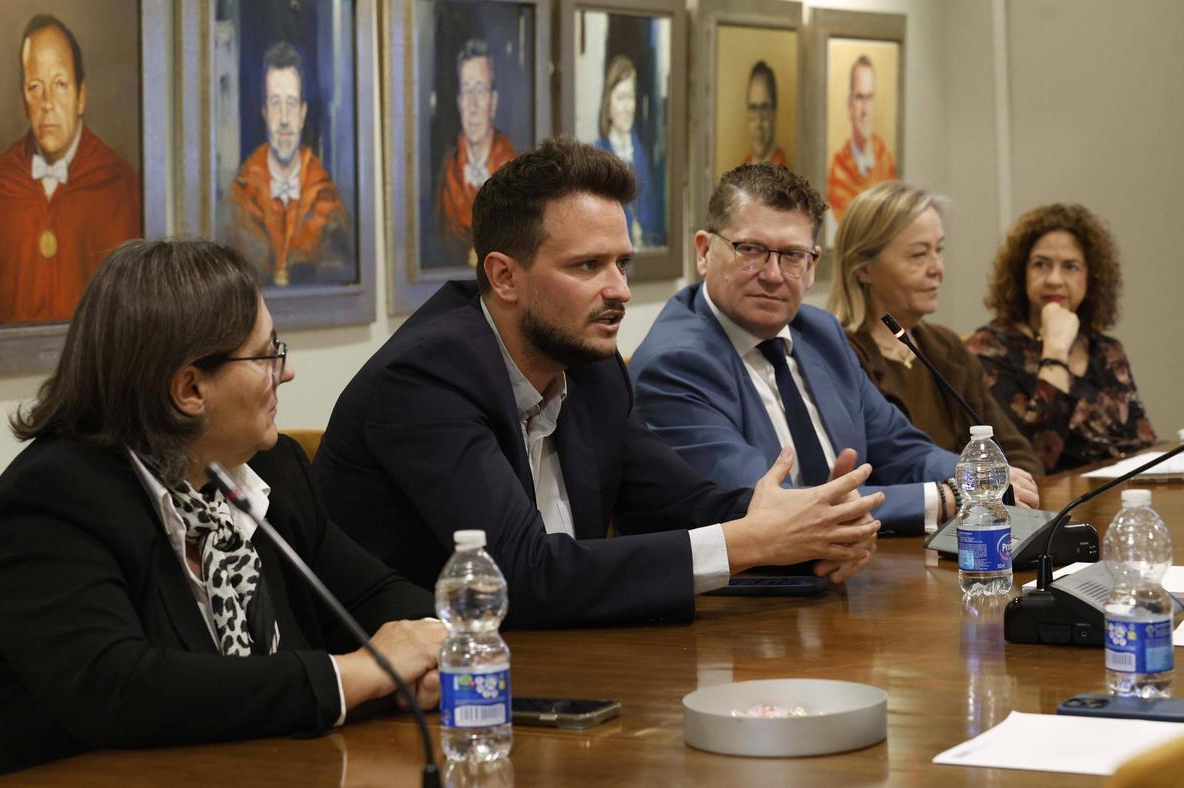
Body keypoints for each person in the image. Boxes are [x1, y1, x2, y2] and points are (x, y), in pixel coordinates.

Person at [315, 138, 883, 629]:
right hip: (418, 704)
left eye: (623, 264)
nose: (620, 290)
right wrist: (749, 543)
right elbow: (520, 573)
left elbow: (684, 504)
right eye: (588, 266)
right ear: (504, 276)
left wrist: (812, 525)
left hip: (566, 661)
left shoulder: (592, 369)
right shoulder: (426, 378)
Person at [0, 239, 444, 775]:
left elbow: (375, 595)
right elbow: (118, 688)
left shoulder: (268, 469)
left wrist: (435, 650)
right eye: (268, 353)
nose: (288, 371)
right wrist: (355, 676)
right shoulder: (54, 502)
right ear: (189, 389)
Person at [630, 164, 1039, 536]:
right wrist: (946, 498)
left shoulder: (818, 332)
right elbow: (769, 507)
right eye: (751, 250)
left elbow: (899, 447)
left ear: (812, 266)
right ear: (704, 252)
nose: (773, 275)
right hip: (749, 598)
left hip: (853, 566)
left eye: (792, 256)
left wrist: (975, 477)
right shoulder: (675, 364)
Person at [826, 181, 1043, 476]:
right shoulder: (838, 354)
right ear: (863, 268)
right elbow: (876, 474)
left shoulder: (946, 347)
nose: (937, 268)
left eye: (938, 250)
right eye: (918, 255)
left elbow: (1014, 452)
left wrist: (1017, 489)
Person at [966, 204, 1156, 472]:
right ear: (1021, 273)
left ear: (1092, 278)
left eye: (1070, 267)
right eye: (1041, 264)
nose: (1054, 279)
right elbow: (1030, 462)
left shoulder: (1107, 351)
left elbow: (1143, 447)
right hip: (1047, 507)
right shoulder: (988, 349)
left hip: (1117, 496)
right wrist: (1055, 351)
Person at [0, 13, 140, 325]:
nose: (47, 102)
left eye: (60, 84)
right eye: (35, 86)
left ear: (80, 97)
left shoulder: (118, 183)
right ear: (24, 98)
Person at [221, 41, 352, 287]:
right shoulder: (240, 197)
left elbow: (339, 275)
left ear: (303, 113)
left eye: (291, 105)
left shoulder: (327, 199)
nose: (283, 120)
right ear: (264, 112)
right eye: (274, 103)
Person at [435, 38, 517, 267]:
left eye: (480, 91)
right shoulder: (447, 172)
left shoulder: (517, 171)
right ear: (459, 102)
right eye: (466, 92)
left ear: (493, 101)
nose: (473, 106)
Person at [594, 55, 665, 248]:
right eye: (621, 97)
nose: (627, 107)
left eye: (631, 96)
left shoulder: (641, 154)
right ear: (608, 105)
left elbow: (653, 217)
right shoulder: (597, 155)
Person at [826, 55, 897, 223]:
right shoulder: (838, 171)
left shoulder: (886, 163)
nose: (864, 110)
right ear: (849, 105)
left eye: (869, 98)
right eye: (859, 98)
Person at [743, 60, 787, 167]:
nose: (758, 123)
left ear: (774, 113)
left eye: (764, 108)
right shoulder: (741, 174)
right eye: (753, 108)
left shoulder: (787, 177)